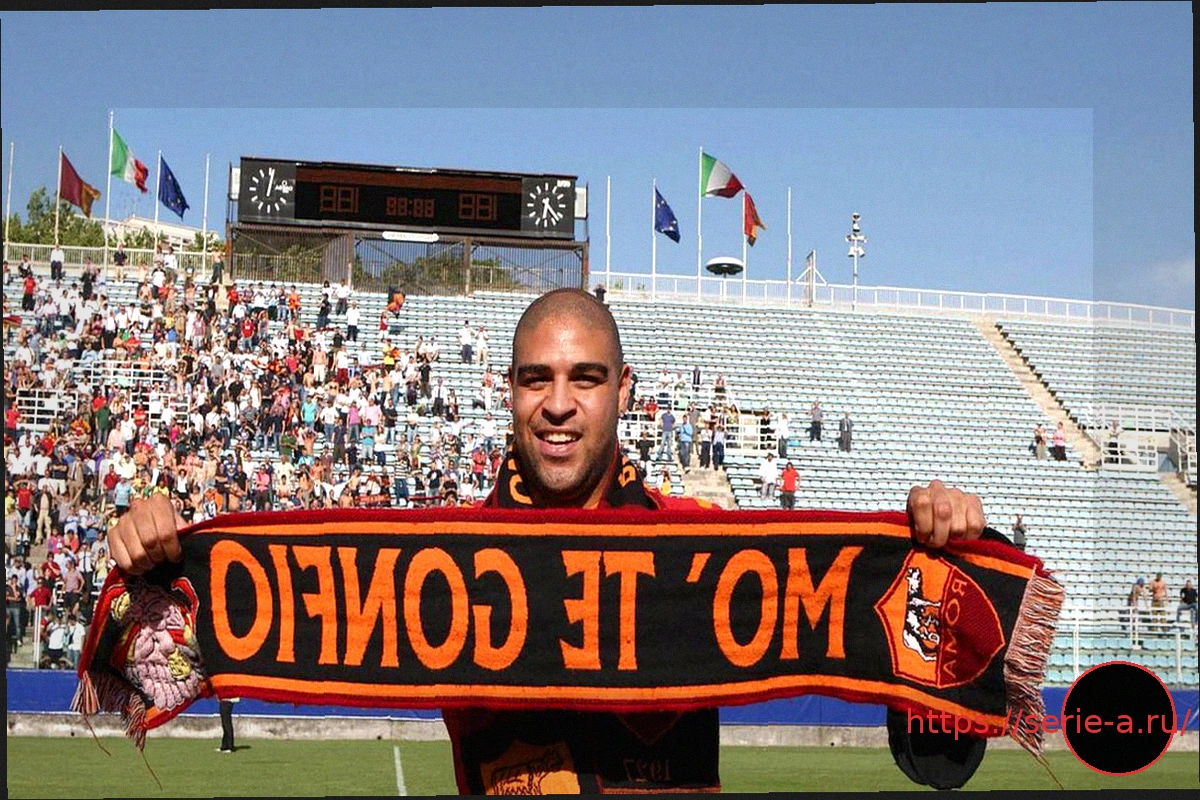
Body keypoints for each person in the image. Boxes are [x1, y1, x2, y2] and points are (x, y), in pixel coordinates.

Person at [110, 288, 988, 794]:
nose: (559, 404)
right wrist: (158, 570)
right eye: (538, 379)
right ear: (509, 390)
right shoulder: (435, 563)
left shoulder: (707, 549)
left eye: (585, 378)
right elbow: (152, 675)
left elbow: (940, 760)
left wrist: (941, 571)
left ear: (624, 391)